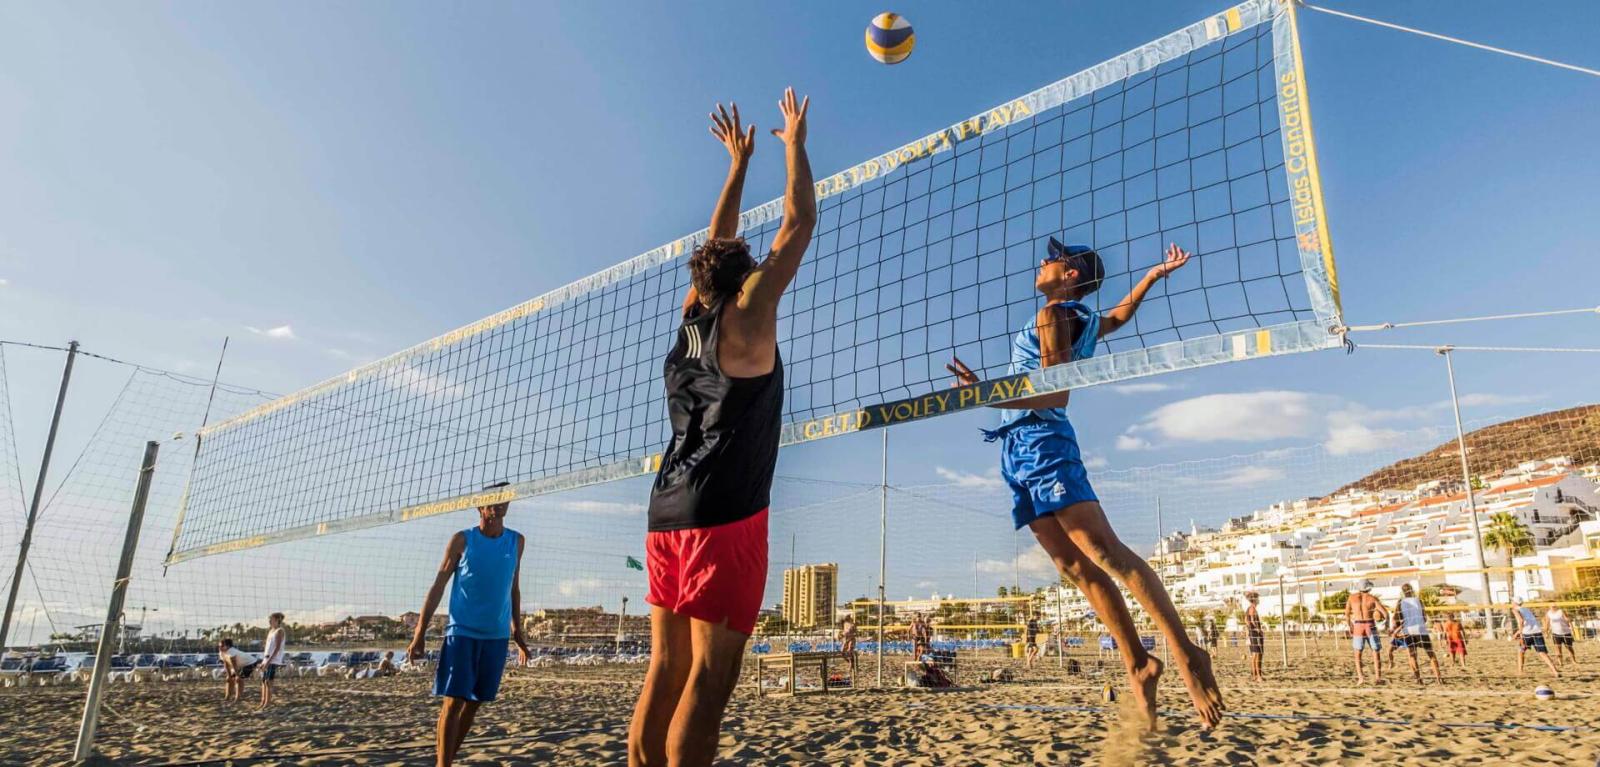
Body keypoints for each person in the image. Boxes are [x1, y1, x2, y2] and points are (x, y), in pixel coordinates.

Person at [947, 238, 1223, 731]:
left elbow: (1055, 393)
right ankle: (1138, 661)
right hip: (1017, 449)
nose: (1041, 262)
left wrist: (982, 395)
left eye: (1052, 258)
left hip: (1042, 441)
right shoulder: (1084, 318)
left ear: (1071, 274)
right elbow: (1118, 318)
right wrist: (1152, 277)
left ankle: (1188, 655)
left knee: (1106, 552)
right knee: (1074, 566)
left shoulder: (1054, 316)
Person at [628, 89, 815, 767]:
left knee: (665, 669)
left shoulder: (692, 320)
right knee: (710, 677)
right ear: (746, 282)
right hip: (723, 515)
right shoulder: (748, 314)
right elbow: (798, 223)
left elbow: (718, 244)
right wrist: (793, 140)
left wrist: (737, 166)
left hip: (665, 508)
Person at [407, 483, 532, 767]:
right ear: (481, 507)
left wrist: (518, 632)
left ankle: (447, 758)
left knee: (475, 701)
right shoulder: (462, 540)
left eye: (504, 500)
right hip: (461, 632)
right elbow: (439, 585)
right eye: (493, 500)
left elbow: (514, 588)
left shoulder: (517, 541)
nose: (500, 505)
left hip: (496, 637)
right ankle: (444, 764)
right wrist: (419, 633)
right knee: (453, 701)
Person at [1392, 584, 1443, 684]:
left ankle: (1418, 680)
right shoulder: (1419, 600)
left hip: (1409, 631)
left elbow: (1396, 618)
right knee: (1431, 654)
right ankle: (1439, 678)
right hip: (1421, 630)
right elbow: (1424, 618)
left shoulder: (1400, 602)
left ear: (1403, 592)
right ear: (1412, 590)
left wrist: (1399, 626)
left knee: (1412, 656)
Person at [1345, 580, 1388, 685]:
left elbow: (1346, 615)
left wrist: (1350, 626)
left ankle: (1361, 678)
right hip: (1370, 625)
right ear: (1368, 588)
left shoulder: (1352, 598)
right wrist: (1386, 624)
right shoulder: (1372, 598)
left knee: (1357, 655)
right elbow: (1385, 613)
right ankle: (1378, 678)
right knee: (1375, 652)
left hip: (1358, 626)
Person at [1512, 597, 1559, 678]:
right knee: (1542, 653)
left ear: (1515, 602)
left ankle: (1520, 671)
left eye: (1512, 601)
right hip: (1537, 631)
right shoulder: (1526, 609)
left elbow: (1521, 621)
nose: (1511, 602)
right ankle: (1555, 671)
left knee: (1521, 651)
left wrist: (1519, 633)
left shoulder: (1515, 609)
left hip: (1527, 633)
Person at [258, 612, 287, 709]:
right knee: (263, 681)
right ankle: (263, 702)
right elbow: (268, 648)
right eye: (270, 619)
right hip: (266, 658)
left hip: (273, 660)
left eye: (272, 619)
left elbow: (277, 648)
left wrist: (269, 661)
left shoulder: (279, 631)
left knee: (268, 682)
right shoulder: (271, 631)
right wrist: (264, 661)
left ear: (277, 620)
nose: (270, 621)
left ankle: (267, 703)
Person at [216, 638, 260, 704]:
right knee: (228, 679)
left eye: (222, 646)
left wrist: (237, 675)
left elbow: (234, 665)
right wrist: (229, 675)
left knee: (238, 679)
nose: (220, 648)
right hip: (240, 665)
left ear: (228, 646)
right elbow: (226, 664)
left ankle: (237, 698)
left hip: (250, 663)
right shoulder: (222, 653)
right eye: (219, 646)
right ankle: (227, 696)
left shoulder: (231, 652)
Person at [1244, 593, 1265, 683]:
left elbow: (1246, 620)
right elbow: (1252, 620)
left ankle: (1254, 675)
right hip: (1255, 634)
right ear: (1255, 600)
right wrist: (1258, 629)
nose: (1259, 600)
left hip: (1252, 634)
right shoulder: (1252, 608)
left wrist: (1249, 630)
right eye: (1257, 598)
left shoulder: (1249, 608)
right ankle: (1258, 676)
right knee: (1257, 655)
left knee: (1254, 655)